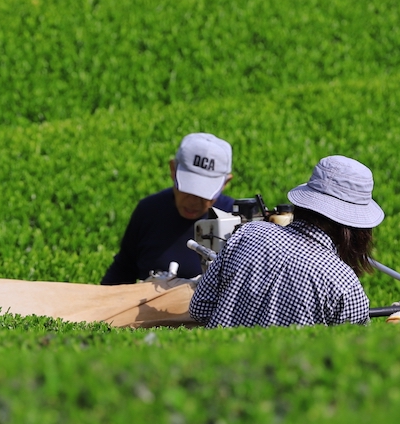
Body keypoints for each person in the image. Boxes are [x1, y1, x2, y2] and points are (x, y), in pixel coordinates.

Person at [189, 155, 382, 328]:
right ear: (356, 228)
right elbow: (356, 351)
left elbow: (199, 309)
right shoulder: (344, 283)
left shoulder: (247, 233)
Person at [100, 133, 235, 285]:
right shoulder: (149, 211)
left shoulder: (239, 225)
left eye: (205, 193)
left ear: (226, 182)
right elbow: (124, 270)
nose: (193, 201)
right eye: (188, 189)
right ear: (173, 169)